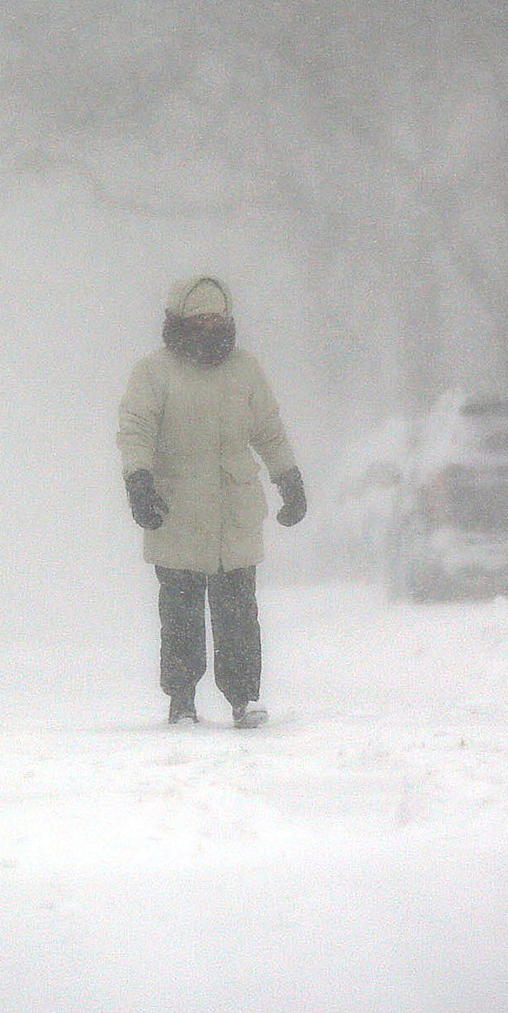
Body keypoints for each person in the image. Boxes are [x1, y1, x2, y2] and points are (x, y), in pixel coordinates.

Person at [117, 275, 306, 727]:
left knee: (239, 614)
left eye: (215, 317)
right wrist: (138, 480)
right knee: (180, 614)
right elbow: (136, 430)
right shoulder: (153, 374)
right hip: (176, 511)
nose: (208, 325)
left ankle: (245, 699)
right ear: (180, 319)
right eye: (199, 317)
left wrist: (289, 477)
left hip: (234, 513)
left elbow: (268, 430)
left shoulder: (245, 371)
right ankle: (182, 699)